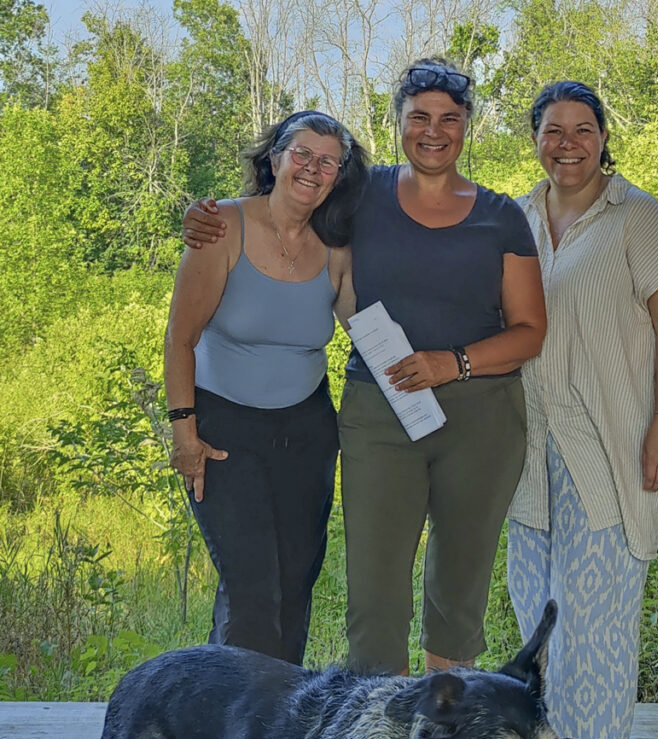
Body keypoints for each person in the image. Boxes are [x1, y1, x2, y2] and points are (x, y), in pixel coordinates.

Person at [184, 59, 547, 678]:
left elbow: (530, 331)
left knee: (459, 586)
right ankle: (379, 727)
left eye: (449, 119)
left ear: (468, 126)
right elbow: (281, 205)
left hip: (482, 413)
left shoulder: (500, 216)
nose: (434, 131)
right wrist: (202, 216)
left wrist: (451, 363)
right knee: (374, 592)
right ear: (398, 121)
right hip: (380, 407)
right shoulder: (360, 194)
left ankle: (444, 718)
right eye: (419, 117)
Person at [507, 81, 658, 739]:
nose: (568, 144)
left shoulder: (637, 216)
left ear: (603, 137)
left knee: (598, 599)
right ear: (535, 139)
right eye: (553, 130)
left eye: (582, 129)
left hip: (610, 437)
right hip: (530, 441)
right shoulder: (518, 216)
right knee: (539, 597)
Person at [165, 110, 368, 665]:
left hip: (306, 432)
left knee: (295, 586)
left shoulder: (338, 246)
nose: (312, 168)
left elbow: (368, 332)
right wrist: (184, 434)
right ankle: (234, 715)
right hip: (223, 430)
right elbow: (180, 337)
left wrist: (434, 375)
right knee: (252, 592)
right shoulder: (221, 227)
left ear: (339, 176)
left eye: (328, 162)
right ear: (274, 159)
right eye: (301, 153)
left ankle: (278, 710)